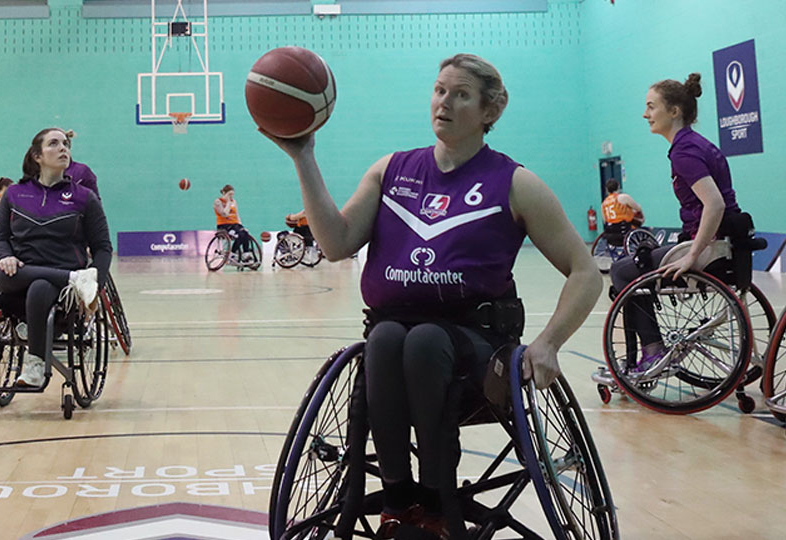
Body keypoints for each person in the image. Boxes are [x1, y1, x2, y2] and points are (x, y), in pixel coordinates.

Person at [263, 53, 601, 539]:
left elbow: (585, 273)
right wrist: (304, 157)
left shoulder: (514, 183)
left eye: (461, 95)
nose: (444, 102)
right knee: (385, 340)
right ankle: (398, 498)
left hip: (476, 345)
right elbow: (336, 243)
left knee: (423, 341)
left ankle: (438, 501)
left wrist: (550, 342)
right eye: (440, 90)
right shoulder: (391, 170)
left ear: (490, 110)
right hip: (393, 336)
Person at [610, 73, 741, 370]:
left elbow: (715, 204)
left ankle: (653, 350)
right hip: (725, 241)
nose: (645, 114)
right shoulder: (696, 144)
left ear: (674, 111)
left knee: (621, 271)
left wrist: (692, 254)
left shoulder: (685, 151)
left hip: (710, 248)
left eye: (651, 106)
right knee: (636, 262)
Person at [0, 128, 112, 387]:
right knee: (1, 273)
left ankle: (35, 365)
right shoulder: (14, 194)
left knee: (40, 287)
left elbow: (103, 248)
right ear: (37, 156)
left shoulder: (84, 198)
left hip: (58, 287)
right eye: (54, 143)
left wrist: (96, 285)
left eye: (65, 144)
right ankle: (74, 278)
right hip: (22, 272)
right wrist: (4, 256)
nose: (63, 148)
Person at [213, 184, 254, 263]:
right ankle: (232, 253)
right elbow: (225, 214)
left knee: (245, 233)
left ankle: (246, 253)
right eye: (229, 194)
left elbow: (237, 215)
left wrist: (241, 225)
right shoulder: (218, 201)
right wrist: (228, 203)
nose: (231, 196)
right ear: (224, 193)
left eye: (232, 194)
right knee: (239, 235)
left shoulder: (234, 201)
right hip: (224, 226)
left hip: (235, 225)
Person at [64, 130, 100, 199]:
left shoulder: (81, 172)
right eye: (53, 144)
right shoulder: (41, 174)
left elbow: (94, 202)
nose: (62, 148)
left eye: (65, 144)